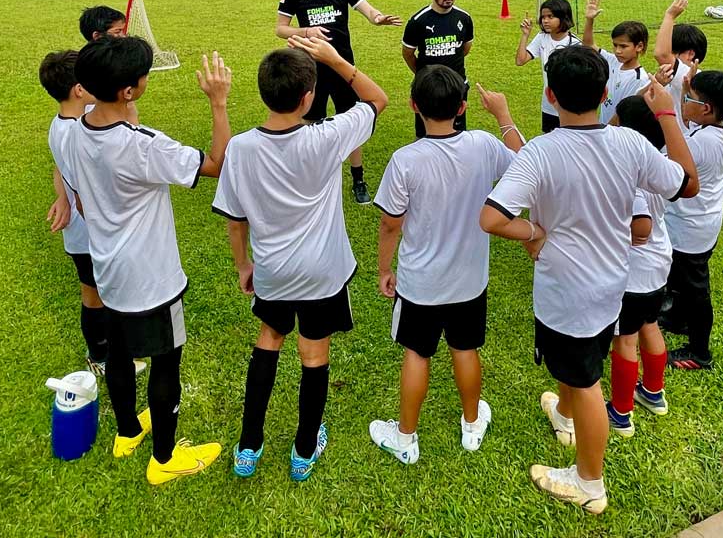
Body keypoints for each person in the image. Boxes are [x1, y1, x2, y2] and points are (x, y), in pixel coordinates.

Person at [480, 45, 698, 515]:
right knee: (578, 368)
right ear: (605, 94)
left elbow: (492, 218)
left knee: (587, 384)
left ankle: (589, 481)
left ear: (549, 94)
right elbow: (687, 183)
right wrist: (667, 116)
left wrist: (535, 230)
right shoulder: (631, 144)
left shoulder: (541, 151)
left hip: (566, 292)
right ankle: (564, 413)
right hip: (608, 287)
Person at [212, 37, 387, 481]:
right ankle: (304, 450)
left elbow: (235, 220)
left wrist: (243, 266)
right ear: (309, 97)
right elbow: (377, 99)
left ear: (262, 91)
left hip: (272, 271)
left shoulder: (242, 148)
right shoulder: (327, 137)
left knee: (268, 341)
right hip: (322, 273)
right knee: (314, 356)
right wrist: (333, 58)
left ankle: (248, 445)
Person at [60, 36, 231, 485]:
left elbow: (80, 198)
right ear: (129, 91)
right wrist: (218, 103)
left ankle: (127, 432)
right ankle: (164, 458)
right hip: (152, 278)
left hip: (109, 270)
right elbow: (217, 163)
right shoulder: (143, 146)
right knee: (166, 362)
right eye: (142, 75)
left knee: (118, 353)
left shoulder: (75, 130)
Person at [368, 66, 531, 464]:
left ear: (413, 106)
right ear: (462, 107)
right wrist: (504, 117)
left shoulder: (405, 159)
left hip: (421, 283)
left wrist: (383, 269)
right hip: (469, 280)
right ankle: (472, 425)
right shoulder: (484, 144)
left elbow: (391, 223)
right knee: (465, 348)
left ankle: (406, 438)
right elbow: (527, 165)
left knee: (416, 353)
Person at [39, 51, 147, 378]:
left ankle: (101, 352)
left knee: (94, 292)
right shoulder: (77, 134)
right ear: (79, 90)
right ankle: (101, 356)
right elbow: (89, 188)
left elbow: (60, 170)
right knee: (99, 296)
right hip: (93, 233)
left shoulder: (60, 125)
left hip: (81, 231)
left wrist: (62, 198)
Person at [276, 0, 400, 204]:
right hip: (310, 69)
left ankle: (358, 179)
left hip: (343, 66)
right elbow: (280, 29)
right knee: (309, 121)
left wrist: (377, 18)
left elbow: (366, 9)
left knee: (351, 120)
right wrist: (307, 31)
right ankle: (308, 177)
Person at [662, 65, 723, 370]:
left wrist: (664, 114)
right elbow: (687, 128)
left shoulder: (701, 144)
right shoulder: (721, 128)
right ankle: (677, 319)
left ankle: (699, 353)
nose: (685, 102)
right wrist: (684, 91)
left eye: (690, 98)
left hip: (690, 229)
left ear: (706, 109)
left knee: (696, 290)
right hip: (703, 222)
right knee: (684, 282)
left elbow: (669, 159)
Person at [605, 95, 674, 437]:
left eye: (615, 122)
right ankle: (653, 392)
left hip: (633, 272)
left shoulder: (631, 172)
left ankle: (620, 413)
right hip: (659, 266)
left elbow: (640, 227)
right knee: (650, 325)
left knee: (625, 340)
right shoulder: (660, 162)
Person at [401, 0, 474, 138]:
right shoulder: (418, 21)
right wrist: (423, 74)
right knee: (425, 136)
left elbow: (465, 48)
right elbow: (408, 54)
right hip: (428, 88)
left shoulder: (464, 18)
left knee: (458, 135)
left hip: (457, 86)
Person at [515, 0, 580, 133]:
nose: (545, 20)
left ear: (563, 17)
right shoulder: (542, 38)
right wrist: (525, 35)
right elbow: (520, 61)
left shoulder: (576, 45)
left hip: (570, 107)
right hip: (548, 104)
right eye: (543, 17)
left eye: (550, 16)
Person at [582, 0, 649, 123]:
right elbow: (588, 46)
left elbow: (623, 113)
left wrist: (605, 133)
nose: (617, 51)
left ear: (639, 46)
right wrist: (589, 20)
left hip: (612, 135)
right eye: (615, 45)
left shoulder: (639, 80)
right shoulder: (613, 61)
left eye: (623, 46)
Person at [653, 0, 709, 123]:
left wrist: (670, 15)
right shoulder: (668, 76)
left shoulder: (690, 77)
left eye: (671, 52)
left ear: (690, 54)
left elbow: (661, 54)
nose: (668, 57)